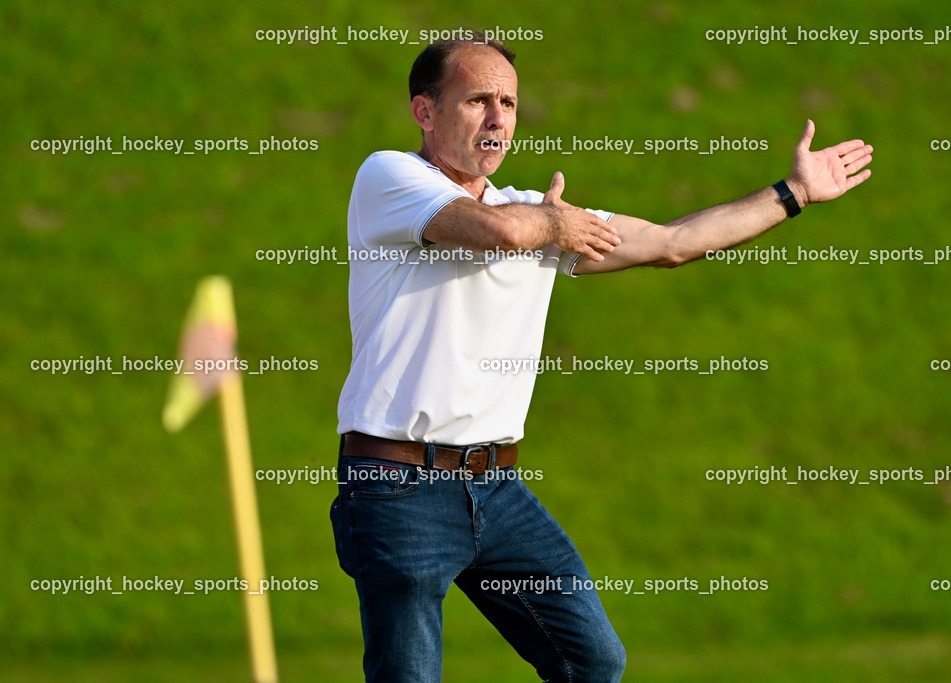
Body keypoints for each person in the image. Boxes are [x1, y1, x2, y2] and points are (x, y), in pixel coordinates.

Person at [329, 31, 872, 682]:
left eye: (509, 101)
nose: (499, 117)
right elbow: (498, 234)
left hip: (496, 488)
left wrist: (793, 193)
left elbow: (673, 241)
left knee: (594, 659)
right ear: (425, 111)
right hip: (398, 485)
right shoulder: (390, 177)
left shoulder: (535, 213)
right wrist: (555, 226)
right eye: (478, 100)